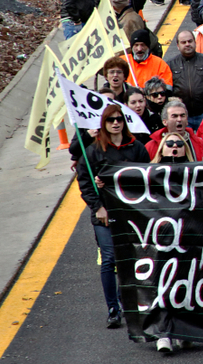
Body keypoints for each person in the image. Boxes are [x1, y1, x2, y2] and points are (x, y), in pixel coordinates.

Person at [74, 105, 150, 329]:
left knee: (131, 258)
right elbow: (84, 182)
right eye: (110, 120)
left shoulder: (137, 148)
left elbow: (147, 177)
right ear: (103, 124)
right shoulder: (93, 151)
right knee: (109, 258)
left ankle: (125, 300)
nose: (115, 123)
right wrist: (97, 206)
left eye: (119, 119)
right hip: (104, 215)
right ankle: (113, 308)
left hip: (131, 213)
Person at [167, 30, 203, 129]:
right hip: (181, 117)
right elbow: (167, 90)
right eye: (183, 42)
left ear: (195, 42)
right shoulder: (170, 64)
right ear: (178, 46)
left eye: (190, 41)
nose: (187, 44)